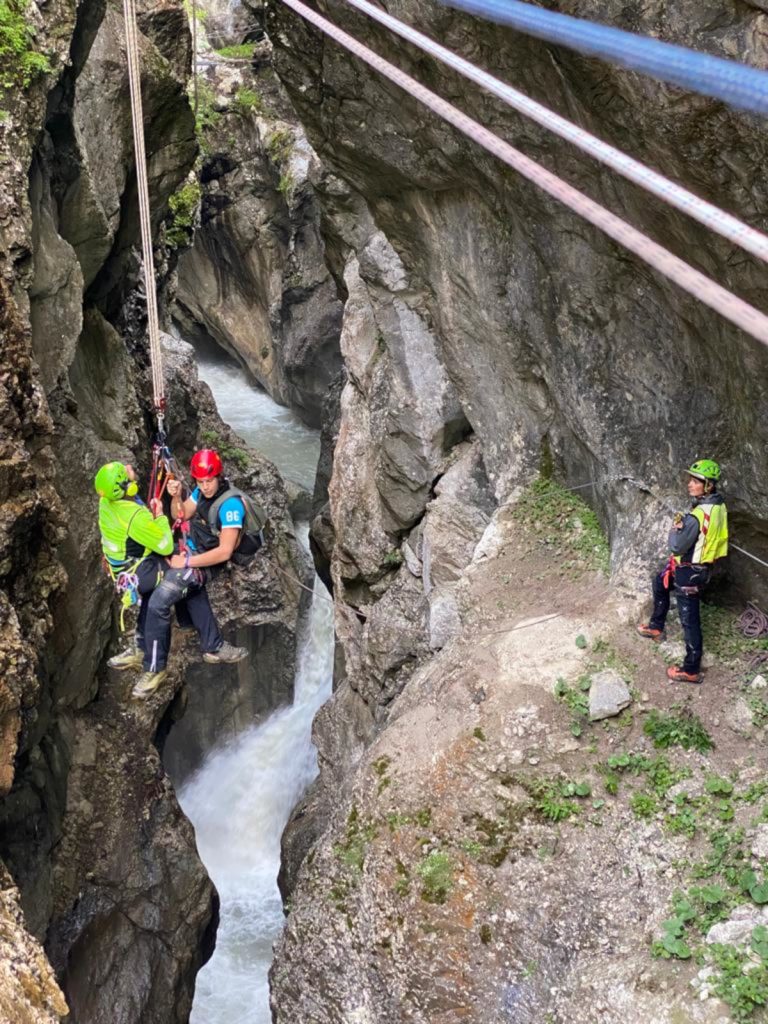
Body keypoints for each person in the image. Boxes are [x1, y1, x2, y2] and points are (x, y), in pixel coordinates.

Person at [636, 459, 728, 684]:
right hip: (699, 567)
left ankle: (691, 669)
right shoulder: (719, 507)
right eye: (691, 480)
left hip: (690, 572)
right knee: (660, 582)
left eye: (696, 481)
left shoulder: (698, 515)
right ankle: (656, 626)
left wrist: (676, 528)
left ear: (708, 486)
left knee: (689, 619)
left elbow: (676, 546)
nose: (690, 484)